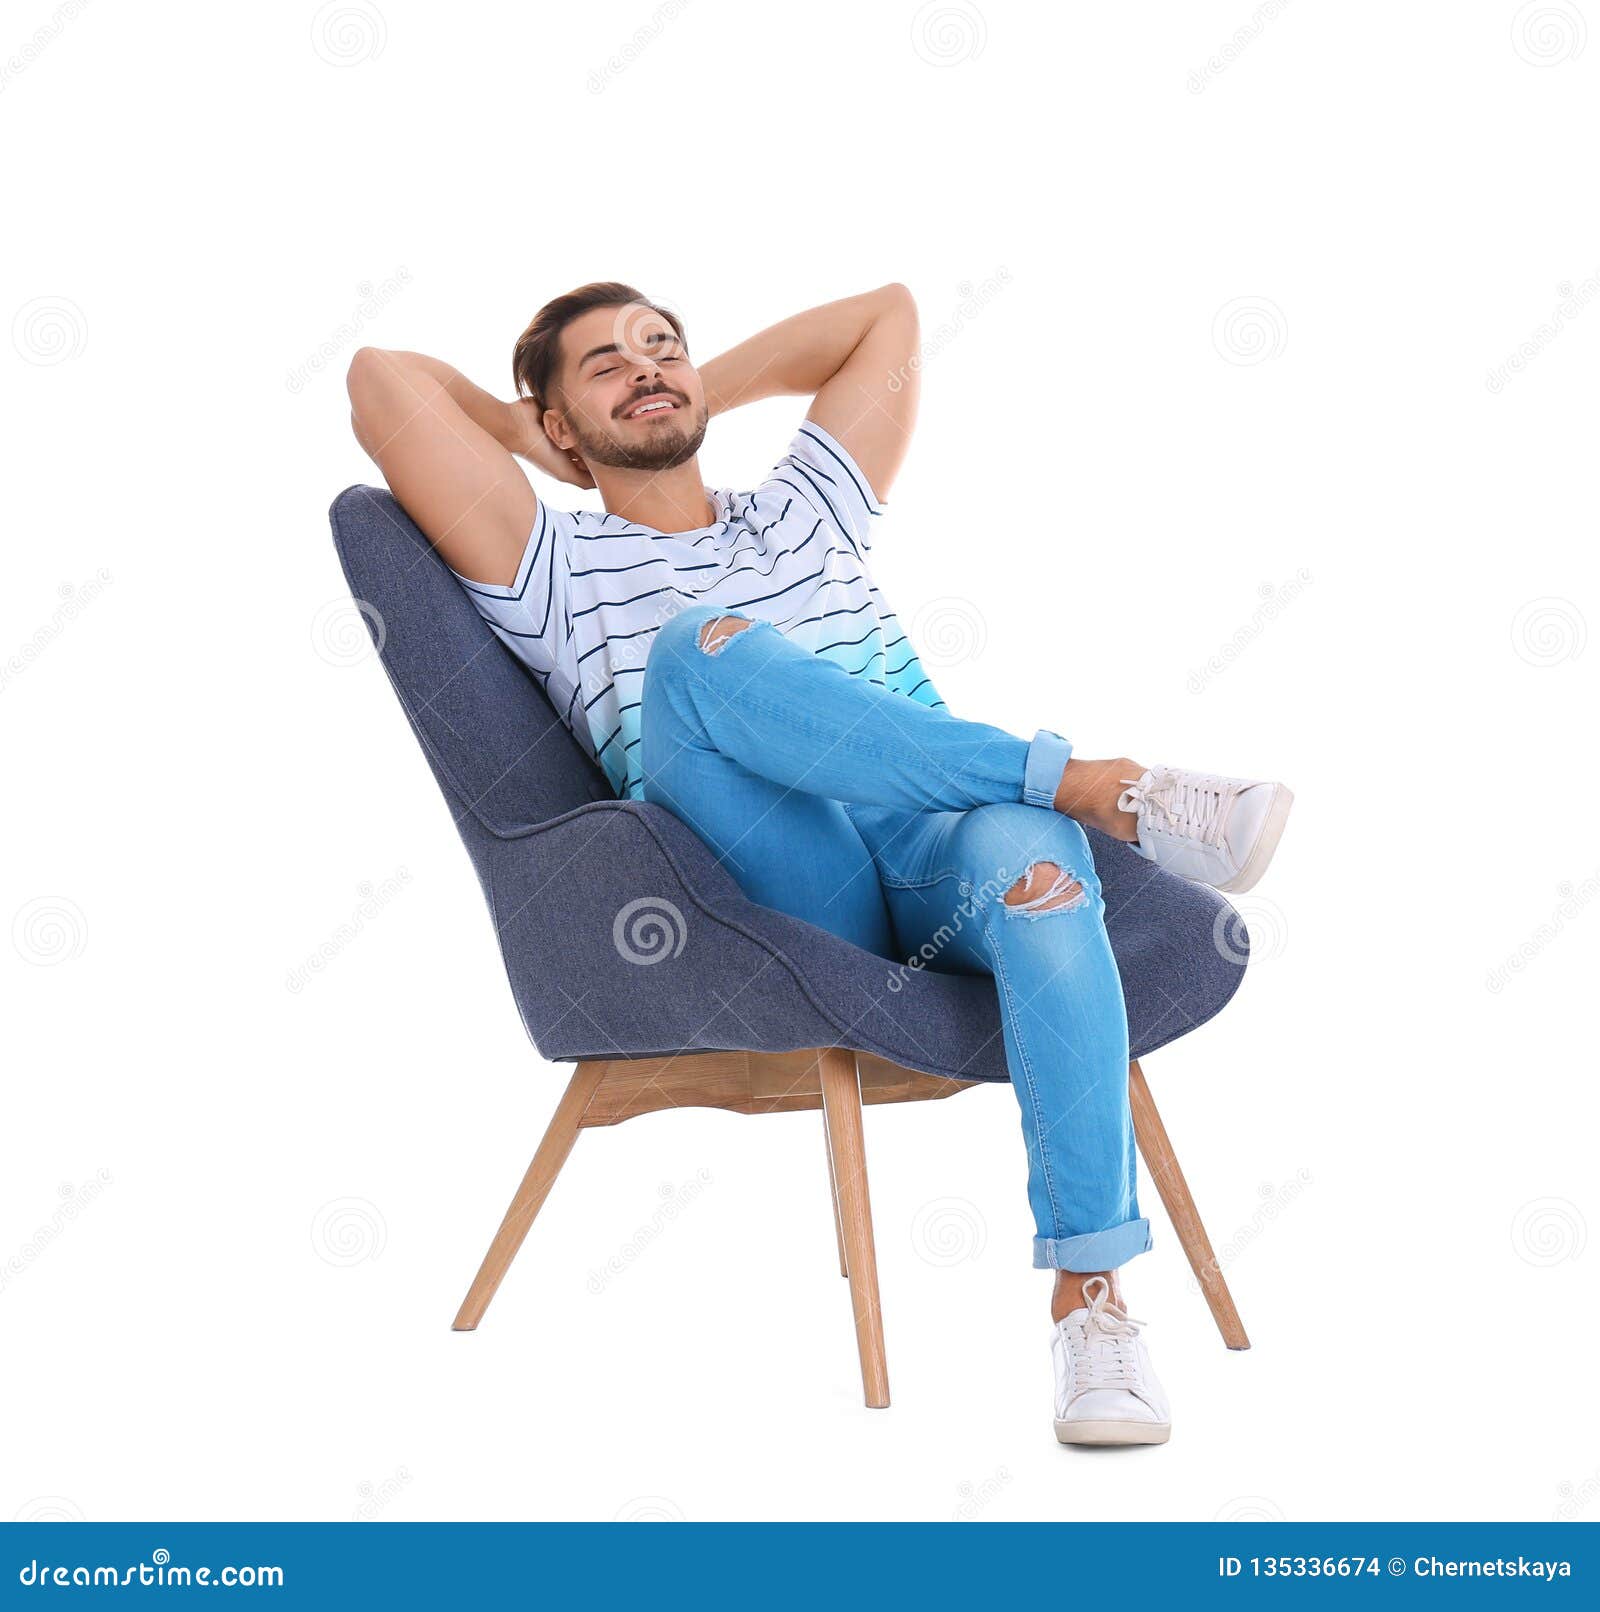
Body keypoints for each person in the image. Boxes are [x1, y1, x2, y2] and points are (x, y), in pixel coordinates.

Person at [345, 282, 1293, 1446]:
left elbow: (884, 318)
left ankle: (1091, 1305)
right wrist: (522, 428)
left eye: (662, 348)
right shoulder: (551, 559)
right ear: (555, 426)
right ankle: (1095, 782)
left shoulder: (799, 512)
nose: (646, 367)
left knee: (1041, 870)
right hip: (791, 886)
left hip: (938, 841)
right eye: (605, 366)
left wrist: (685, 395)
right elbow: (377, 382)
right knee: (698, 650)